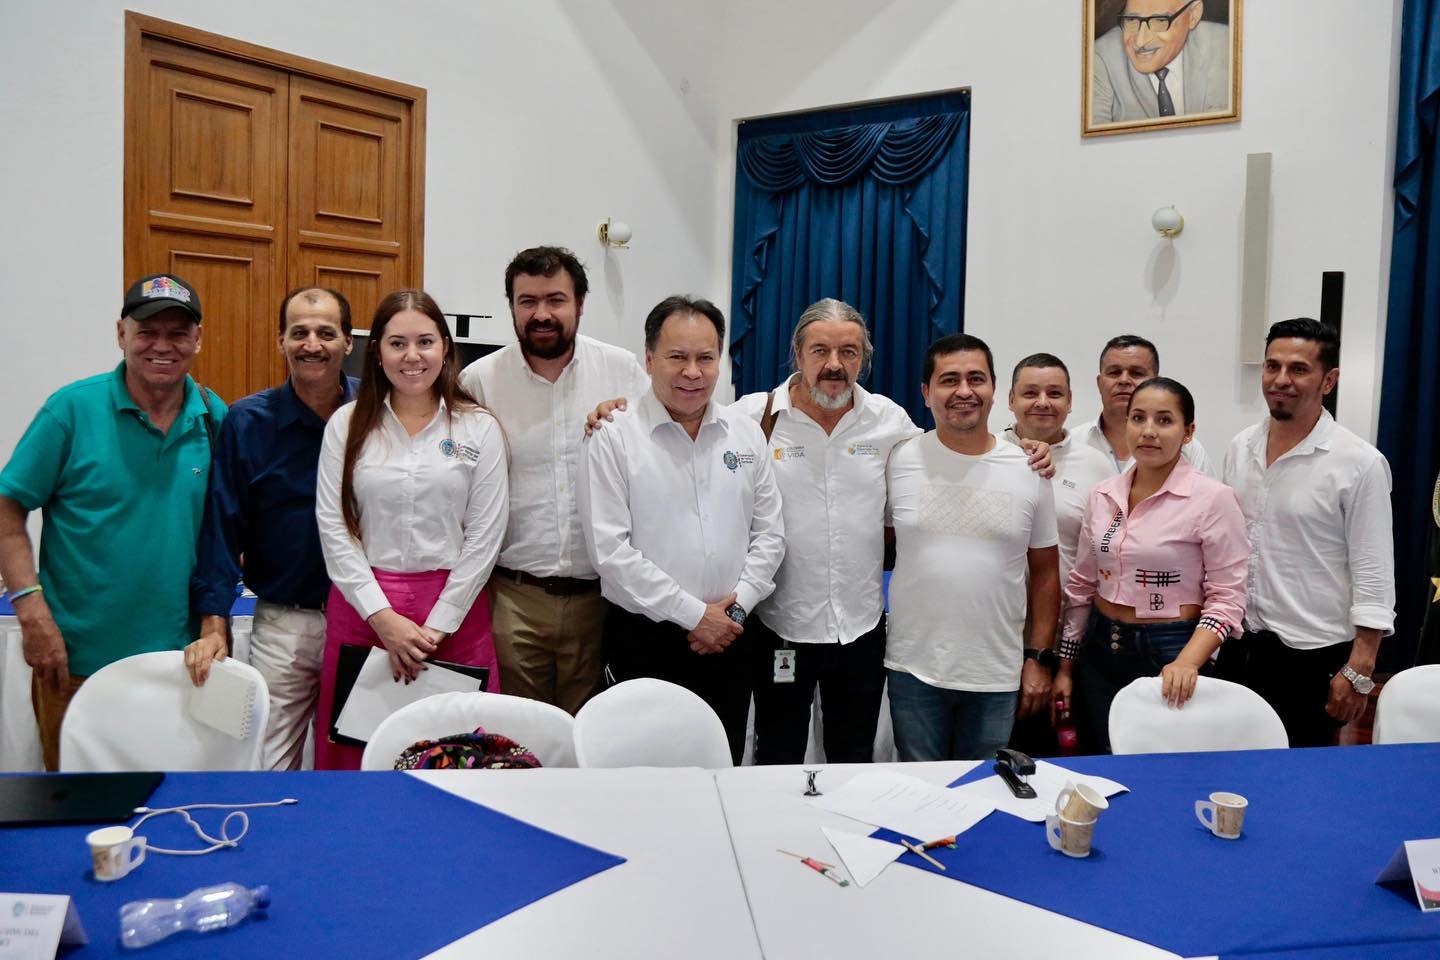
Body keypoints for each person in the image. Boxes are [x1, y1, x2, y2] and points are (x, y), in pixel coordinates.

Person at [0, 273, 223, 770]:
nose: (161, 345)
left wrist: (214, 622)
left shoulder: (213, 417)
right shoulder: (71, 410)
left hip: (180, 668)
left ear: (198, 339)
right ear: (121, 333)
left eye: (177, 333)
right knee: (73, 813)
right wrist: (30, 610)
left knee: (173, 805)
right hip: (76, 662)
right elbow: (7, 507)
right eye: (147, 331)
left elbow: (225, 534)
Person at [578, 295, 784, 763]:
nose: (692, 371)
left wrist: (733, 613)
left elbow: (770, 535)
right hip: (646, 640)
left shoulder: (745, 433)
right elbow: (610, 551)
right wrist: (695, 615)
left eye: (705, 357)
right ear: (649, 359)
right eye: (677, 357)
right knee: (641, 775)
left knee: (721, 767)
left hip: (731, 636)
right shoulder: (613, 435)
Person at [314, 290, 507, 770]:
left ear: (444, 346)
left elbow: (485, 536)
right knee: (357, 755)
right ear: (376, 351)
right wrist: (383, 618)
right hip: (364, 609)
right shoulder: (346, 425)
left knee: (456, 755)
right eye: (397, 343)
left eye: (425, 341)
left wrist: (435, 627)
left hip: (453, 617)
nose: (412, 356)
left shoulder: (477, 428)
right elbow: (334, 528)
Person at [729, 299, 920, 764]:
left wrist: (1022, 443)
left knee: (853, 756)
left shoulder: (889, 422)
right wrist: (616, 410)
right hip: (781, 625)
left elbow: (948, 464)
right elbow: (687, 442)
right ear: (798, 355)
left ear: (864, 358)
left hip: (861, 628)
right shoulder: (752, 417)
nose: (835, 365)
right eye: (820, 351)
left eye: (849, 352)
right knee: (777, 753)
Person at [459, 246, 647, 715]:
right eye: (528, 301)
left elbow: (654, 464)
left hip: (601, 599)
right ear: (512, 307)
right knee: (522, 736)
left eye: (556, 300)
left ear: (580, 304)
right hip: (513, 599)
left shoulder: (622, 371)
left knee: (595, 734)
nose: (542, 314)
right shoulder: (478, 382)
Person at [184, 287, 358, 770]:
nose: (312, 344)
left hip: (366, 620)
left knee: (357, 759)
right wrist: (214, 623)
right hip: (286, 624)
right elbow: (221, 527)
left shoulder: (377, 411)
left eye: (326, 332)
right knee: (266, 760)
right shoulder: (247, 421)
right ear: (281, 340)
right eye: (299, 332)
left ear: (347, 341)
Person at [1217, 318, 1395, 746]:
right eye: (1271, 366)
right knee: (1229, 774)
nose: (1281, 380)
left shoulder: (1359, 463)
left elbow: (1373, 573)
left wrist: (1359, 670)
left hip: (1313, 657)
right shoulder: (1241, 447)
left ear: (1328, 379)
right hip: (1240, 648)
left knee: (1301, 788)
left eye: (1298, 369)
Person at [884, 334, 1060, 761]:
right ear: (926, 393)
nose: (964, 391)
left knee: (983, 794)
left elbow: (1047, 573)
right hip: (913, 668)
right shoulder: (897, 460)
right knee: (919, 793)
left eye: (975, 379)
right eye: (949, 380)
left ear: (993, 389)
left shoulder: (1030, 467)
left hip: (996, 673)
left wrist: (1038, 657)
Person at [1056, 377, 1248, 753]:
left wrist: (1188, 663)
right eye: (1138, 418)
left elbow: (1228, 598)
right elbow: (1081, 586)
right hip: (1101, 647)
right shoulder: (1103, 495)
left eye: (1164, 420)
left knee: (1165, 767)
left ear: (1188, 431)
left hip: (1173, 648)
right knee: (1101, 757)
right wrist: (1065, 666)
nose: (1148, 431)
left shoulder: (1213, 499)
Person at [1001, 353, 1115, 755]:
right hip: (1000, 639)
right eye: (1030, 393)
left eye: (1055, 393)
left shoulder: (1098, 466)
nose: (1043, 402)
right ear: (1010, 399)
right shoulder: (989, 456)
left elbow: (1108, 553)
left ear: (1070, 402)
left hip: (1072, 642)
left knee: (1062, 758)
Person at [1071, 334, 1214, 476]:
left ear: (1155, 382)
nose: (1124, 380)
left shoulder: (1187, 449)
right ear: (1099, 382)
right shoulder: (1073, 443)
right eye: (1114, 372)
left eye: (1136, 373)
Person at [1092, 0, 1232, 124]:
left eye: (1159, 20)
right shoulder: (1100, 58)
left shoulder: (1225, 46)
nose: (1140, 41)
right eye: (1132, 19)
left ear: (1193, 15)